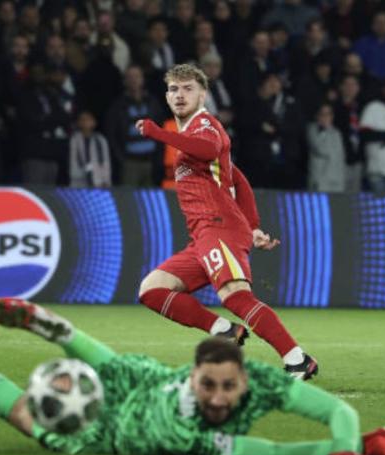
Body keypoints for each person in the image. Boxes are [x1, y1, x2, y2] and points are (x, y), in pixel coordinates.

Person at [0, 298, 385, 455]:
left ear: (246, 380)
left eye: (226, 388)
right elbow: (275, 453)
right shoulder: (191, 434)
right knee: (34, 406)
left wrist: (349, 443)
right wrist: (347, 450)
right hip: (128, 411)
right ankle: (50, 329)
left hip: (125, 410)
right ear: (193, 376)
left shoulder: (262, 384)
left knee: (47, 400)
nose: (217, 398)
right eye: (207, 386)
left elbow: (333, 413)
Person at [134, 64, 317, 379]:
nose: (180, 95)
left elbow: (207, 149)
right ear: (166, 96)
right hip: (203, 235)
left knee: (235, 295)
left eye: (188, 88)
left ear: (203, 94)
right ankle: (223, 329)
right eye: (174, 89)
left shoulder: (205, 124)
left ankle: (297, 359)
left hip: (218, 226)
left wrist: (159, 134)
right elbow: (238, 179)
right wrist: (253, 225)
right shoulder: (189, 133)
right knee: (152, 289)